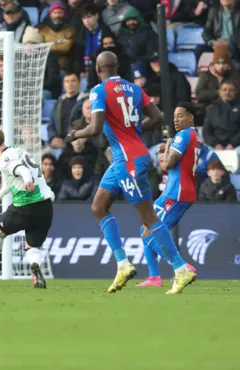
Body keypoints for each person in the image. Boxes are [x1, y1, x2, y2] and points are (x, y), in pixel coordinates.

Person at [65, 51, 196, 294]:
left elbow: (94, 128)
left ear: (98, 68)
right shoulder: (136, 89)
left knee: (148, 218)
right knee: (98, 206)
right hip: (124, 158)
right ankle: (123, 264)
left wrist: (75, 134)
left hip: (128, 160)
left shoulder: (98, 91)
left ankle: (180, 268)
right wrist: (134, 131)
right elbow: (157, 117)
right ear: (117, 67)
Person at [0, 128, 54, 289]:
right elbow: (11, 181)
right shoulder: (17, 151)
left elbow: (22, 170)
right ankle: (36, 271)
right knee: (32, 245)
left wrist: (27, 181)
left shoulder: (4, 159)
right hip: (45, 206)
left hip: (25, 207)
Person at [137, 103, 199, 288]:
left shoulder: (183, 135)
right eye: (174, 116)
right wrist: (168, 152)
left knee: (149, 232)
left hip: (176, 192)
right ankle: (154, 277)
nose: (176, 119)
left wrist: (168, 150)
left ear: (191, 117)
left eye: (180, 116)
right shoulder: (193, 135)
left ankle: (181, 266)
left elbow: (169, 164)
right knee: (147, 230)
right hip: (179, 191)